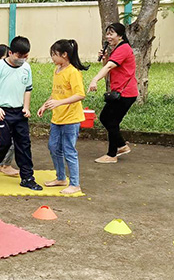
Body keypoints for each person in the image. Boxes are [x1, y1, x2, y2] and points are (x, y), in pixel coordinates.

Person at [0, 36, 43, 191]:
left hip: (19, 111)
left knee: (24, 144)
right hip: (1, 110)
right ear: (10, 53)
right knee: (3, 143)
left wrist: (26, 107)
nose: (22, 59)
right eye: (19, 56)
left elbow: (28, 89)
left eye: (25, 56)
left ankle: (27, 177)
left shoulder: (26, 68)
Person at [37, 39, 88, 195]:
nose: (52, 57)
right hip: (57, 118)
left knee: (69, 150)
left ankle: (75, 183)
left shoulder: (73, 72)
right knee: (53, 147)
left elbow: (80, 95)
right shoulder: (57, 70)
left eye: (54, 54)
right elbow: (56, 93)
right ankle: (60, 177)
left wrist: (59, 103)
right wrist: (45, 105)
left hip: (71, 119)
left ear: (64, 55)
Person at [88, 23, 138, 164]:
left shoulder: (123, 49)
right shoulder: (118, 49)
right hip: (120, 91)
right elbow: (109, 67)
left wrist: (94, 79)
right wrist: (104, 59)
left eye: (112, 33)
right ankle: (120, 147)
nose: (108, 36)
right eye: (107, 33)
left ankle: (112, 154)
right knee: (107, 118)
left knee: (111, 120)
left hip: (125, 93)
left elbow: (110, 66)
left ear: (120, 35)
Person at [0, 44, 20, 177]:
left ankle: (3, 164)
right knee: (4, 141)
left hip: (8, 110)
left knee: (10, 140)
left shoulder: (9, 70)